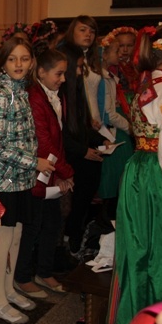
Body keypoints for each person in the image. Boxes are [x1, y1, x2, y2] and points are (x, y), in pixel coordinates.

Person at [112, 18, 162, 324]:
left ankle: (139, 317)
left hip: (137, 172)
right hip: (160, 177)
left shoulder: (147, 83)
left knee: (140, 246)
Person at [0, 36, 55, 324]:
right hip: (0, 180)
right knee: (3, 238)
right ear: (2, 63)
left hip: (20, 178)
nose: (19, 64)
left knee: (17, 235)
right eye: (12, 59)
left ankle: (8, 290)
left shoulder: (20, 91)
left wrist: (30, 165)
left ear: (32, 62)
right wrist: (34, 162)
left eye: (24, 58)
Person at [15, 49, 74, 298]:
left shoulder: (53, 95)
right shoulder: (35, 97)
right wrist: (66, 171)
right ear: (41, 72)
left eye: (64, 74)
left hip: (52, 168)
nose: (62, 79)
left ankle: (44, 270)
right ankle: (22, 276)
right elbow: (43, 141)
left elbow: (58, 136)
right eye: (58, 74)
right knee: (33, 224)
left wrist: (60, 171)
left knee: (52, 222)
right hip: (38, 169)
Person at [57, 15, 109, 257]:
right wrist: (84, 150)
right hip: (69, 151)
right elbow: (63, 131)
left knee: (88, 189)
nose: (81, 72)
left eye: (91, 30)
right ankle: (71, 242)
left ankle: (76, 239)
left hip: (80, 140)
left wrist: (100, 140)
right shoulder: (61, 92)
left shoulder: (76, 83)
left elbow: (81, 120)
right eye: (82, 29)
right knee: (77, 198)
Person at [96, 36, 134, 218]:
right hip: (113, 132)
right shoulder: (102, 79)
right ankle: (108, 218)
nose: (120, 54)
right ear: (104, 54)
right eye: (116, 51)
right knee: (115, 177)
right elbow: (109, 113)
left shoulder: (111, 77)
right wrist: (130, 127)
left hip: (116, 129)